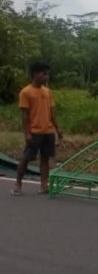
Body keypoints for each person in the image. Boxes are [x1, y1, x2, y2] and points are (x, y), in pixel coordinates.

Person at [12, 62, 62, 196]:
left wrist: (57, 129)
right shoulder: (26, 92)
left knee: (45, 159)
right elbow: (24, 115)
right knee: (27, 158)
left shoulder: (47, 91)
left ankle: (44, 185)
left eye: (47, 74)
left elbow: (52, 112)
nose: (46, 77)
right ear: (35, 74)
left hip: (48, 131)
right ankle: (18, 184)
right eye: (43, 74)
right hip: (34, 132)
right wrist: (27, 133)